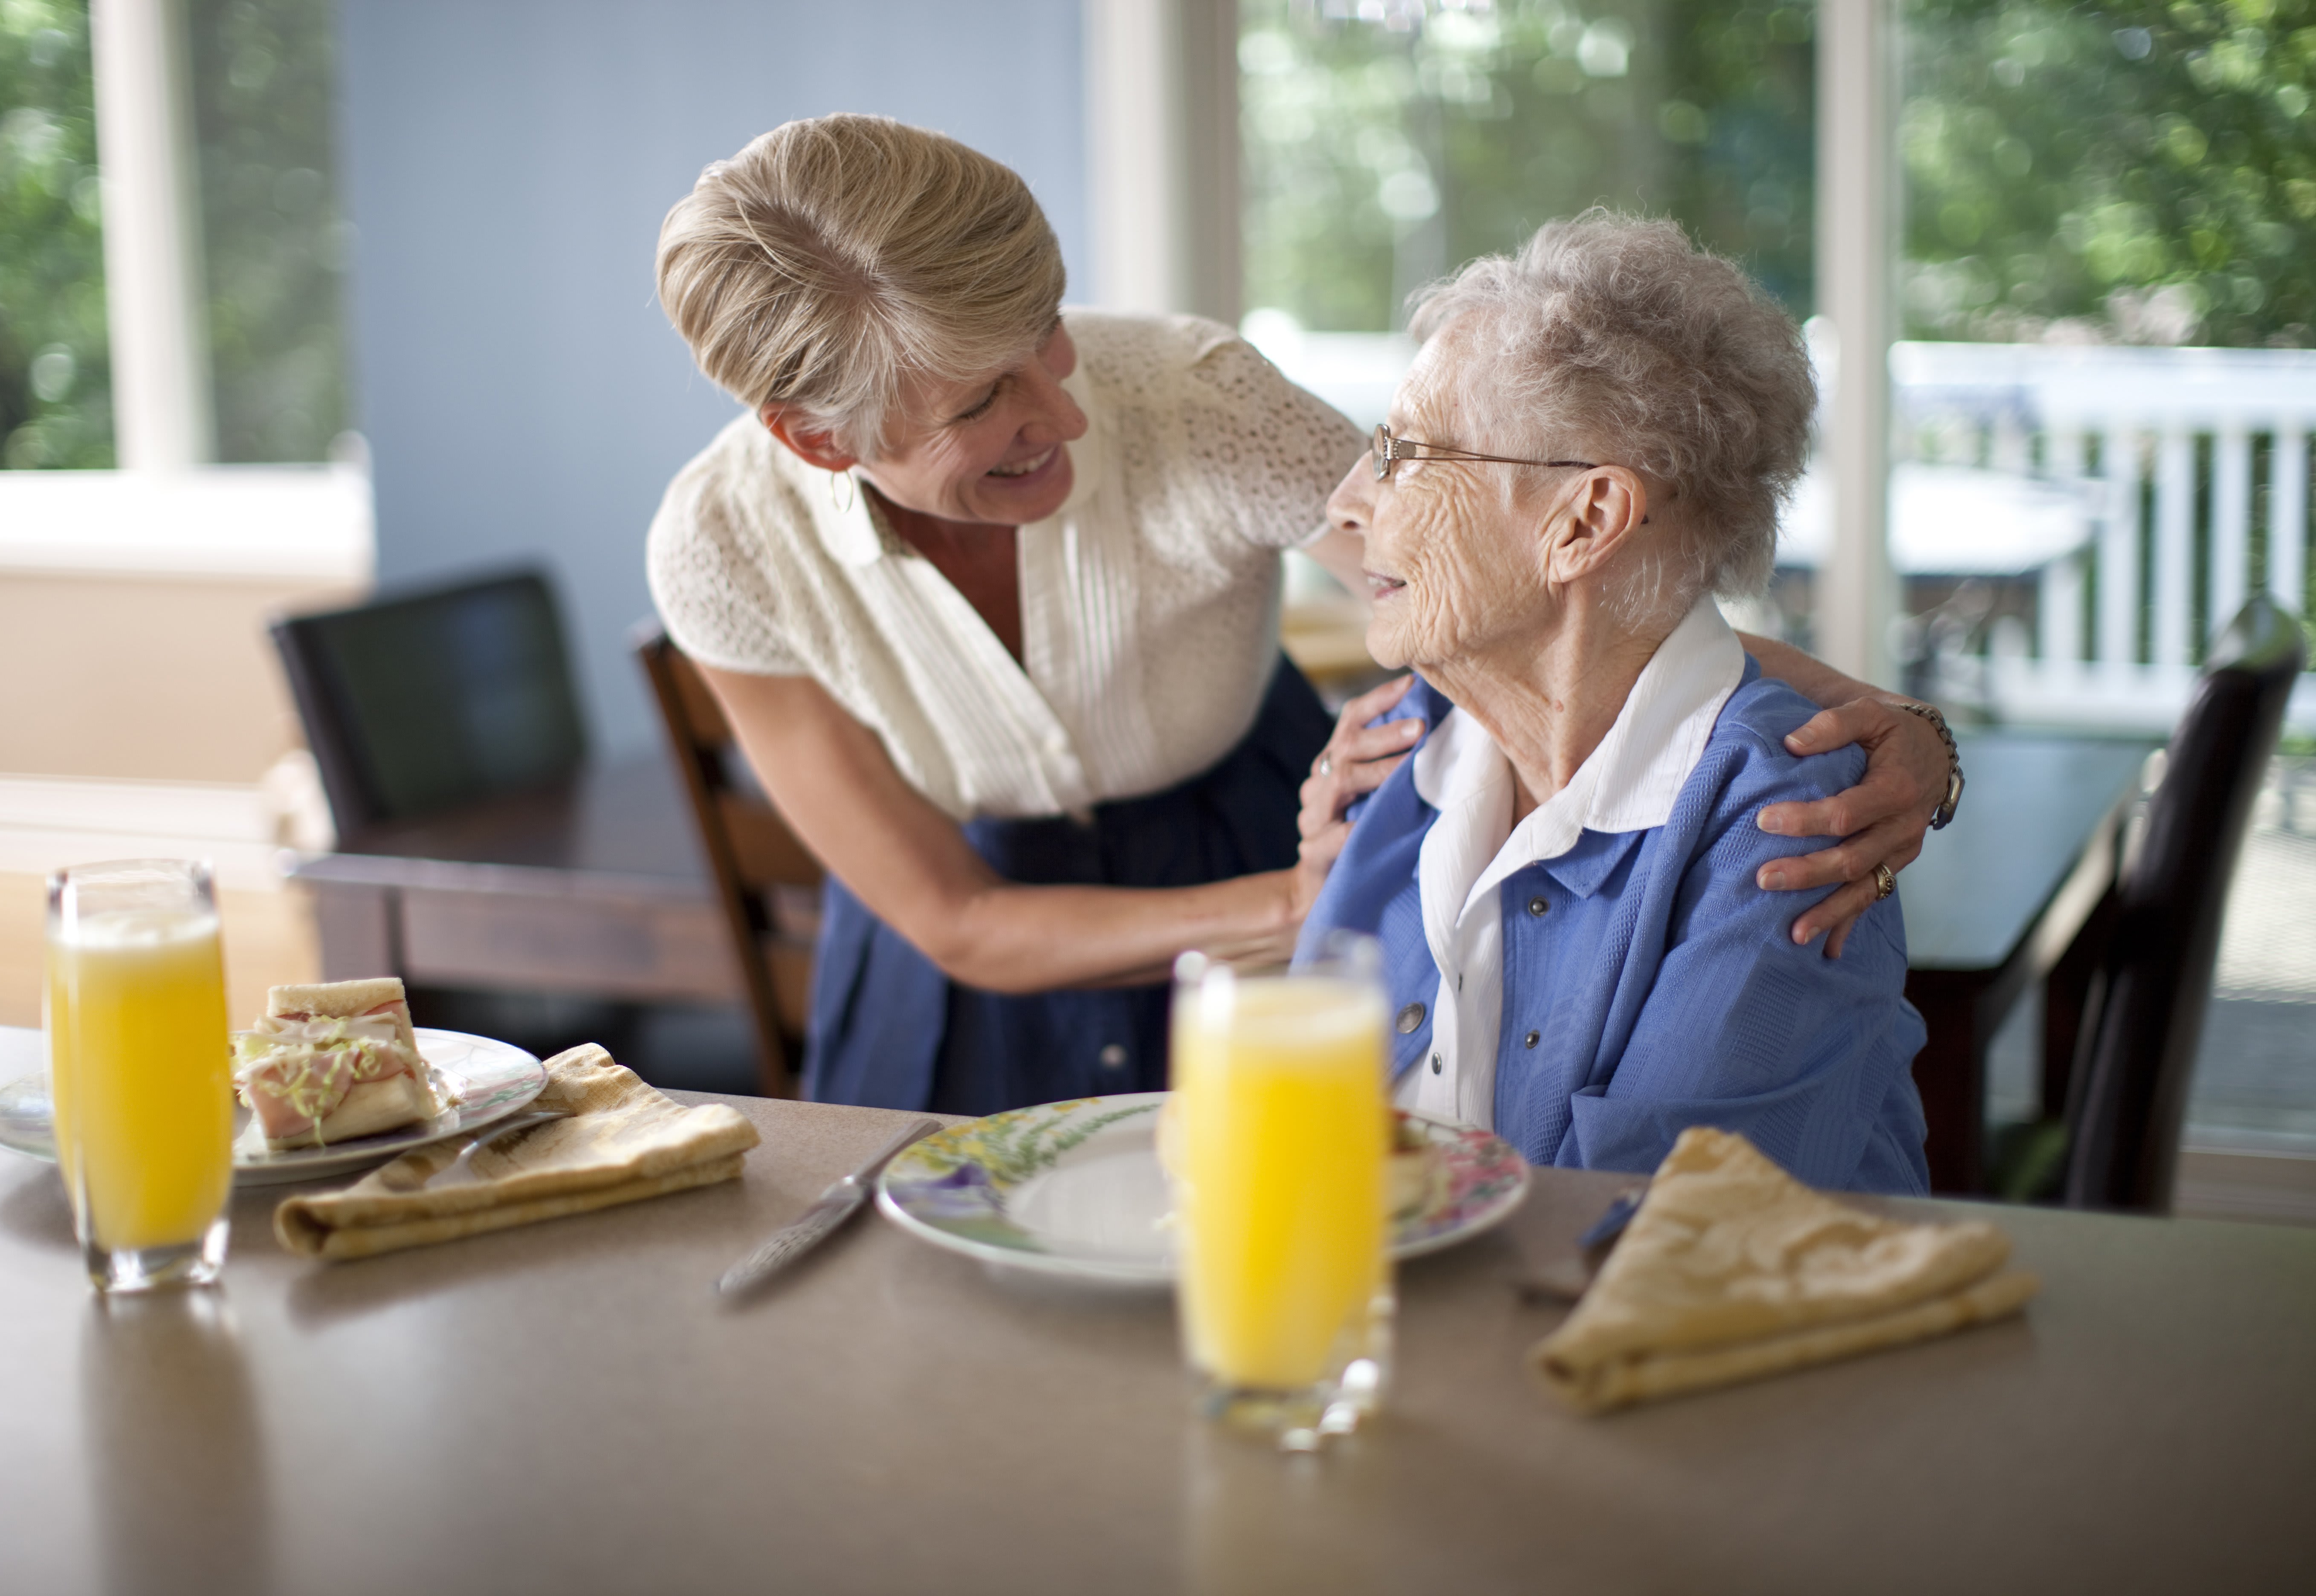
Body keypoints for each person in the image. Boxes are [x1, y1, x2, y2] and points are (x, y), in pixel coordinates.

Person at [646, 114, 1951, 1119]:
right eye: (982, 402)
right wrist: (1308, 904)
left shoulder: (1194, 399)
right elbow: (960, 922)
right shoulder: (718, 549)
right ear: (817, 439)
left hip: (1252, 814)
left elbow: (1545, 582)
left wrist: (1887, 724)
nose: (1066, 409)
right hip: (977, 955)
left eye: (1047, 331)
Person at [1296, 214, 1930, 1194]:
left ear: (1584, 522)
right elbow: (1293, 1143)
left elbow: (1661, 1245)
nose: (1345, 504)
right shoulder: (1398, 757)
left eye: (1405, 455)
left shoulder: (1792, 830)